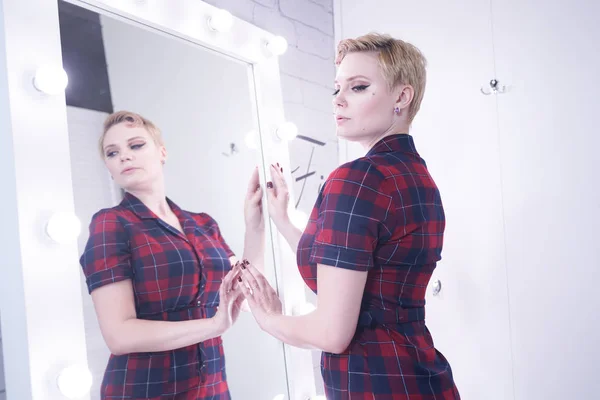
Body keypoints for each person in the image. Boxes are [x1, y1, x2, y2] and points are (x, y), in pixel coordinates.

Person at [238, 33, 461, 399]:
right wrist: (283, 219)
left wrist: (267, 318)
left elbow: (331, 333)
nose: (338, 100)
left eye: (358, 87)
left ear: (401, 97)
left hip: (373, 382)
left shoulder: (357, 179)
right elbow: (351, 267)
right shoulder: (419, 179)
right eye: (336, 88)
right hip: (421, 375)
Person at [79, 111, 264, 399]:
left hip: (213, 386)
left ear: (162, 152)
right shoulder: (111, 224)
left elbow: (247, 294)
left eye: (136, 145)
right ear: (109, 167)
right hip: (145, 389)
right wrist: (213, 325)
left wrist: (255, 225)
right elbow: (119, 336)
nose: (124, 156)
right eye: (112, 153)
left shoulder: (203, 223)